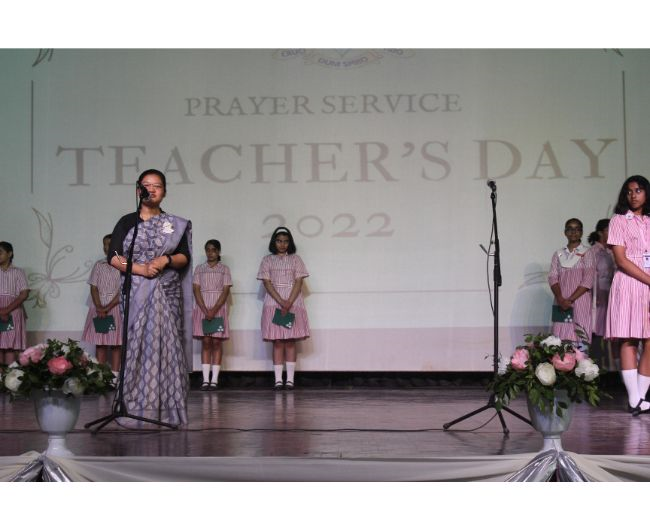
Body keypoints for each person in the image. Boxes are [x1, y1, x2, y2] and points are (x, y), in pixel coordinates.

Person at [108, 169, 192, 428]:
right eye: (147, 185)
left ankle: (165, 411)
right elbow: (115, 257)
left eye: (157, 186)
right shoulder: (127, 222)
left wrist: (165, 259)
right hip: (136, 290)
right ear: (138, 190)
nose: (152, 189)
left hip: (166, 291)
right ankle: (133, 406)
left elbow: (183, 257)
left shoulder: (173, 225)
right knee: (137, 347)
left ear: (164, 191)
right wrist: (140, 269)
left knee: (167, 350)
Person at [606, 175, 650, 414]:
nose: (633, 195)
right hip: (630, 282)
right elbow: (621, 260)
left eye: (639, 190)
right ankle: (634, 398)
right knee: (629, 338)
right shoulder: (619, 220)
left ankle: (641, 398)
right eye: (629, 191)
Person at [257, 227, 310, 390]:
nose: (282, 244)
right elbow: (267, 283)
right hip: (273, 303)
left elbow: (299, 281)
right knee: (278, 341)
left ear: (290, 243)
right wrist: (281, 301)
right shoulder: (267, 260)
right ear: (274, 242)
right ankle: (278, 380)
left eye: (286, 241)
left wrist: (289, 301)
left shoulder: (296, 259)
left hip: (293, 303)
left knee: (290, 341)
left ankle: (290, 380)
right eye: (279, 241)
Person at [192, 239, 232, 390]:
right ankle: (205, 379)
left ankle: (214, 380)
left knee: (216, 342)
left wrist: (214, 309)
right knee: (206, 342)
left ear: (218, 252)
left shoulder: (224, 269)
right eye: (208, 250)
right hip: (202, 309)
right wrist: (204, 309)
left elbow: (225, 291)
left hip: (218, 308)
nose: (210, 253)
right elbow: (196, 289)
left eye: (214, 250)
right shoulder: (199, 269)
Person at [81, 234, 122, 379]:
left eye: (110, 244)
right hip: (99, 309)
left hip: (116, 308)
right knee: (101, 343)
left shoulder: (124, 265)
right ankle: (101, 375)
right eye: (104, 244)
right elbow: (94, 288)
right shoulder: (99, 265)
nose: (106, 247)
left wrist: (107, 307)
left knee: (116, 344)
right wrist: (99, 307)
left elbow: (123, 291)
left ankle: (115, 376)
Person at [548, 218, 595, 343]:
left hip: (580, 301)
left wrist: (570, 300)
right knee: (559, 339)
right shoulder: (558, 254)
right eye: (570, 229)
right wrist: (560, 299)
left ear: (581, 232)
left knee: (581, 337)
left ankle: (581, 357)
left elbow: (588, 279)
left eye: (577, 229)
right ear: (565, 232)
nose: (573, 232)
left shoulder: (588, 253)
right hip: (561, 302)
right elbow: (552, 277)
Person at [588, 219, 616, 369]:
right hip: (597, 299)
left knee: (609, 333)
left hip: (610, 297)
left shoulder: (611, 251)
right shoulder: (593, 252)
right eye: (608, 230)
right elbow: (591, 277)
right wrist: (597, 293)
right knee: (597, 332)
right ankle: (595, 368)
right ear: (600, 232)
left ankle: (610, 369)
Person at [0, 242, 29, 365]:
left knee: (10, 346)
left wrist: (6, 310)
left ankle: (9, 374)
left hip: (13, 311)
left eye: (0, 252)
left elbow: (24, 294)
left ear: (9, 254)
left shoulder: (18, 272)